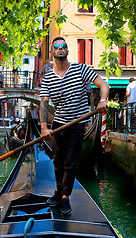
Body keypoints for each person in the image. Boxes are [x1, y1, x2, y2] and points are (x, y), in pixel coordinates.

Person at [40, 37, 109, 215]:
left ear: (68, 51)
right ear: (52, 52)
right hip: (59, 125)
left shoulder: (81, 69)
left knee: (70, 164)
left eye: (64, 46)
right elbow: (44, 103)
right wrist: (43, 127)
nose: (60, 49)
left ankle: (65, 197)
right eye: (57, 47)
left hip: (78, 124)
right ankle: (58, 191)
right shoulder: (48, 77)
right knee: (57, 162)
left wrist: (102, 100)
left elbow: (103, 85)